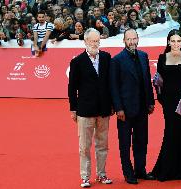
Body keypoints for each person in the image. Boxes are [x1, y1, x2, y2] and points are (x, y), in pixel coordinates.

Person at [149, 29, 181, 181]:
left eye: (178, 41)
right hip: (169, 102)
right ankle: (167, 169)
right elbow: (158, 81)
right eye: (173, 41)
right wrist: (161, 98)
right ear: (168, 42)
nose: (176, 44)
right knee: (170, 133)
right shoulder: (162, 58)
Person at [68, 28, 113, 188]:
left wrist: (113, 105)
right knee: (84, 146)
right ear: (85, 42)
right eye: (92, 41)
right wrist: (73, 109)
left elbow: (111, 84)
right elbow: (72, 88)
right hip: (85, 110)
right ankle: (85, 177)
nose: (95, 44)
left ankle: (101, 174)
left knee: (103, 145)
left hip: (104, 110)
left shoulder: (107, 58)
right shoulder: (77, 61)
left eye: (97, 41)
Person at [110, 28, 155, 184]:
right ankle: (128, 173)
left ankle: (141, 170)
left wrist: (151, 101)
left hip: (142, 107)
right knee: (125, 143)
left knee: (142, 140)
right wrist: (118, 108)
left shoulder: (144, 56)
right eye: (128, 39)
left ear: (138, 39)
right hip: (125, 110)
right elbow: (114, 87)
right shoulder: (117, 60)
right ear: (124, 41)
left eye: (134, 38)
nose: (132, 42)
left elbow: (147, 81)